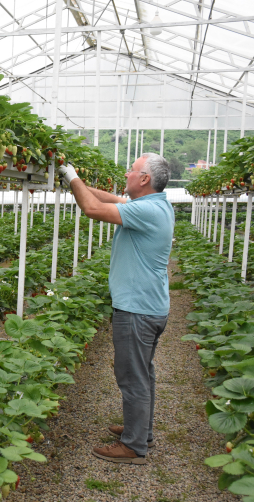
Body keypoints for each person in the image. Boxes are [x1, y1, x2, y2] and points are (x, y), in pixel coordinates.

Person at [58, 152, 174, 465]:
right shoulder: (155, 206)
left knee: (132, 377)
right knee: (143, 373)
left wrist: (72, 175)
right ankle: (141, 430)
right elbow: (111, 198)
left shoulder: (148, 212)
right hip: (150, 306)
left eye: (132, 170)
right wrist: (71, 182)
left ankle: (134, 446)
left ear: (145, 179)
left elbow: (93, 208)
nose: (126, 174)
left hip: (137, 310)